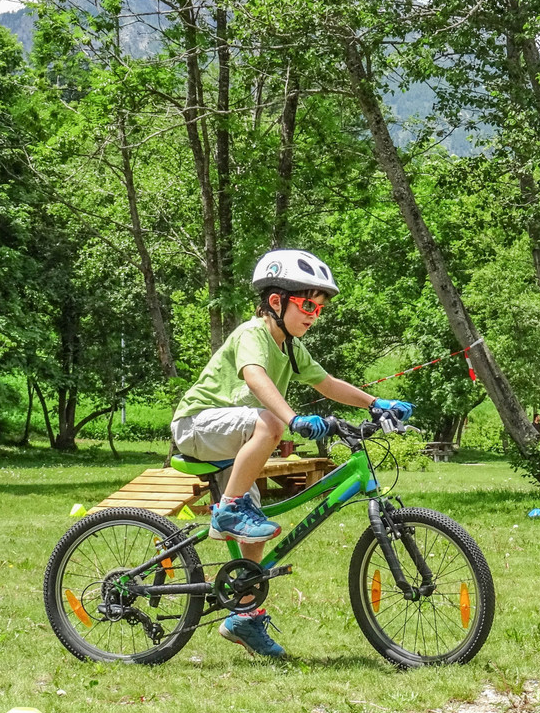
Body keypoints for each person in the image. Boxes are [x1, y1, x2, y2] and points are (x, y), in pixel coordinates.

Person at [170, 249, 413, 658]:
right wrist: (291, 418)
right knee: (270, 423)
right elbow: (254, 376)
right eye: (306, 304)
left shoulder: (293, 348)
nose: (313, 314)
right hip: (196, 425)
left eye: (319, 308)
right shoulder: (254, 333)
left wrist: (375, 404)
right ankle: (227, 508)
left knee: (256, 531)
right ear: (276, 302)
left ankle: (243, 618)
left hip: (230, 439)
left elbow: (328, 383)